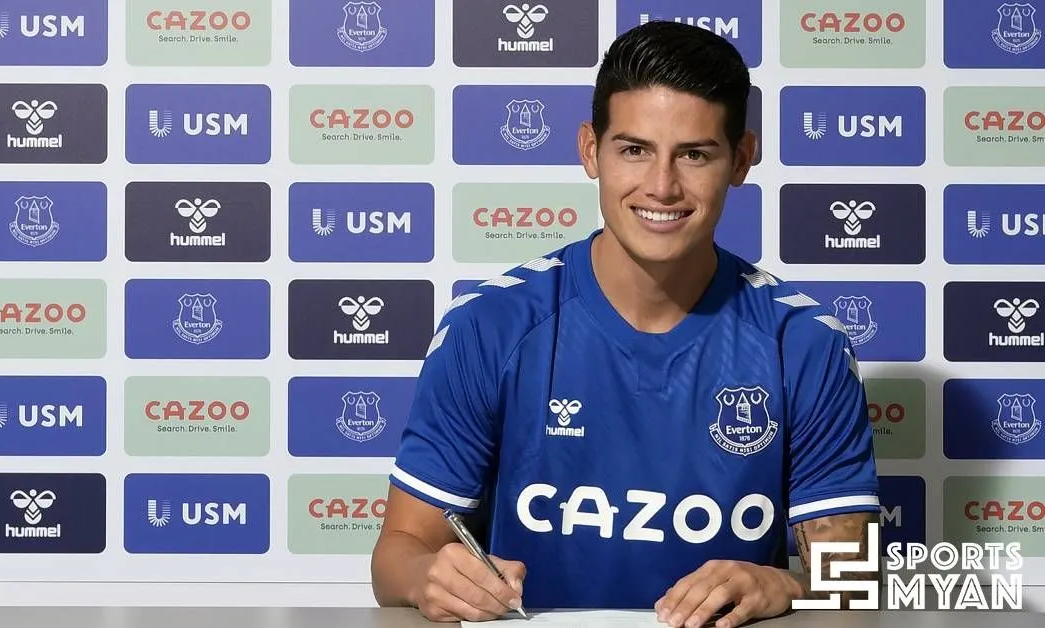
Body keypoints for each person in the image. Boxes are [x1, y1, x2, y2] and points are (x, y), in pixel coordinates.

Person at [370, 20, 881, 628]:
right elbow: (397, 554)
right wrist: (428, 577)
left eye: (694, 154)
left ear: (741, 160)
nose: (661, 187)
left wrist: (783, 585)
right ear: (591, 150)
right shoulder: (490, 326)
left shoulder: (804, 343)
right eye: (634, 150)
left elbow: (852, 578)